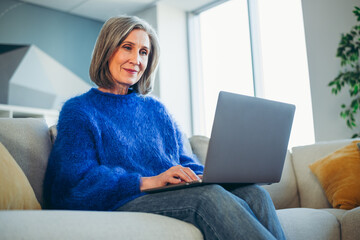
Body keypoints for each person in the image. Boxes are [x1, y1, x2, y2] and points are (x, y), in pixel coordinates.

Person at [43, 16, 286, 240]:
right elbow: (73, 184)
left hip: (167, 193)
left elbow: (181, 160)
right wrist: (147, 181)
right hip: (125, 198)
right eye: (127, 47)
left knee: (255, 193)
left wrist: (206, 176)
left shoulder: (156, 110)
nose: (136, 60)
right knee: (208, 198)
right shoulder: (79, 110)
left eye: (144, 52)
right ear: (107, 50)